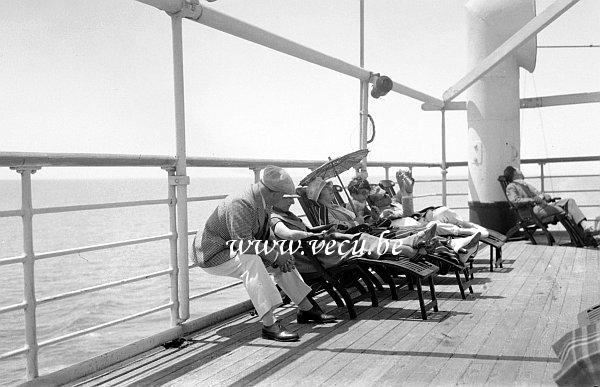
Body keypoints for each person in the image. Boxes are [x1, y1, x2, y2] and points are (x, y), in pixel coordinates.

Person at [190, 165, 335, 342]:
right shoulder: (241, 203)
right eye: (282, 195)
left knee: (280, 256)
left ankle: (306, 309)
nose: (283, 199)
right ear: (273, 193)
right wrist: (275, 256)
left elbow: (265, 235)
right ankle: (270, 325)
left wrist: (280, 254)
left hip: (234, 247)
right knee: (251, 261)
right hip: (212, 253)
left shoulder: (263, 201)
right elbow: (243, 243)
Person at [270, 194, 437, 265]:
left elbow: (307, 229)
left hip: (320, 247)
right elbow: (286, 234)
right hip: (316, 254)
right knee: (362, 240)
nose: (292, 202)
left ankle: (410, 244)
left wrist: (318, 230)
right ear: (275, 199)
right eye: (288, 199)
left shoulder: (289, 214)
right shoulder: (274, 218)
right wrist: (315, 234)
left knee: (362, 237)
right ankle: (409, 247)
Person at [503, 166, 596, 235]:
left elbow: (539, 194)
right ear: (515, 173)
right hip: (531, 211)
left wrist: (545, 196)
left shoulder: (525, 184)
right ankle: (585, 235)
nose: (521, 170)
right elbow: (515, 201)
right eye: (518, 169)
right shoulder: (511, 186)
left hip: (542, 206)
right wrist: (532, 199)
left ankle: (585, 227)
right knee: (566, 211)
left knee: (569, 201)